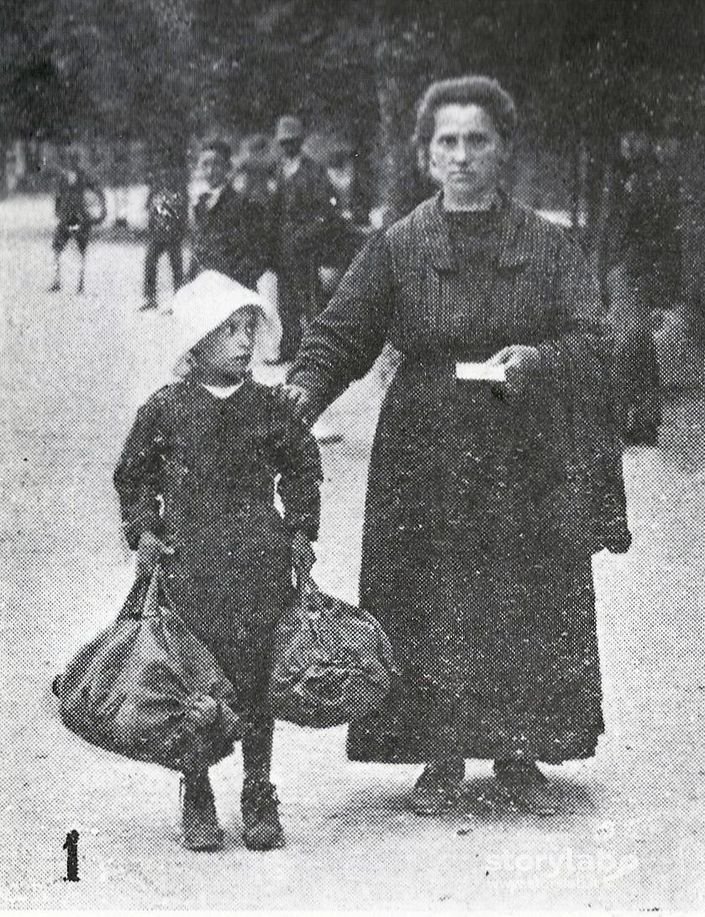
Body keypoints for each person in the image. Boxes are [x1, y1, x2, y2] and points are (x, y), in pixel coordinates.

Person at [281, 76, 630, 816]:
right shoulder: (399, 245)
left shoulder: (547, 244)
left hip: (523, 447)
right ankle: (436, 749)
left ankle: (517, 744)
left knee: (524, 591)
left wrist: (539, 361)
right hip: (425, 451)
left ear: (503, 150)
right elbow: (342, 331)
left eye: (477, 140)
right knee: (425, 595)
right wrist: (303, 392)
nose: (462, 155)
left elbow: (596, 341)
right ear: (423, 154)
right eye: (447, 141)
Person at [114, 270, 322, 851]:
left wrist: (301, 530)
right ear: (197, 343)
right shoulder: (166, 410)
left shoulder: (270, 408)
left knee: (257, 679)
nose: (242, 341)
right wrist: (145, 530)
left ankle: (258, 787)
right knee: (192, 683)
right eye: (228, 330)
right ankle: (197, 788)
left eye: (249, 328)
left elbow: (303, 464)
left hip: (259, 564)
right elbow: (134, 476)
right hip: (191, 566)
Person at [272, 115, 339, 361]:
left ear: (300, 142)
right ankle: (290, 347)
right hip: (285, 244)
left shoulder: (314, 170)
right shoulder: (280, 169)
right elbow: (276, 207)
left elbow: (329, 209)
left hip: (308, 244)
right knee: (285, 301)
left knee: (311, 299)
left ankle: (317, 353)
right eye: (283, 142)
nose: (287, 146)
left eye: (292, 141)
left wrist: (312, 233)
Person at [188, 138, 272, 287]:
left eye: (216, 164)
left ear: (228, 167)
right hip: (205, 290)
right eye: (205, 165)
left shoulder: (242, 204)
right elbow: (196, 254)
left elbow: (259, 254)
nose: (210, 171)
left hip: (235, 291)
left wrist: (235, 282)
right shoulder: (200, 205)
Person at [49, 149, 103, 294]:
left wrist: (102, 209)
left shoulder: (83, 176)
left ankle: (80, 284)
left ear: (77, 161)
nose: (71, 162)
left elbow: (97, 189)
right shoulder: (64, 177)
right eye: (70, 160)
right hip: (67, 217)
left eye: (74, 160)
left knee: (81, 251)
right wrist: (58, 211)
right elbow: (58, 195)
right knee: (57, 248)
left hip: (79, 216)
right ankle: (57, 281)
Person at [141, 165, 188, 311]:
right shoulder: (155, 193)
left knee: (177, 268)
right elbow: (150, 211)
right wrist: (151, 228)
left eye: (168, 178)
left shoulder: (179, 193)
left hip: (173, 235)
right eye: (162, 178)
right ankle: (150, 298)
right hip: (158, 234)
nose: (164, 180)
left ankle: (179, 300)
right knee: (150, 262)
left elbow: (183, 216)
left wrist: (180, 233)